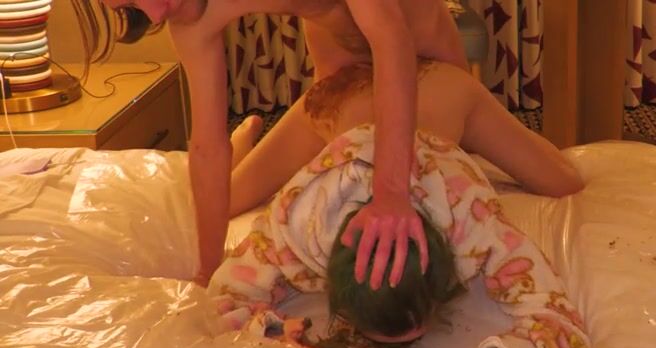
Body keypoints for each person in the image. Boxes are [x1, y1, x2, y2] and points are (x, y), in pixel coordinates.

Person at [206, 60, 589, 348]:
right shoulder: (298, 221)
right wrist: (278, 332)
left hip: (438, 91)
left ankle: (471, 130)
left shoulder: (471, 218)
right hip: (342, 98)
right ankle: (241, 143)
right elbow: (223, 297)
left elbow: (560, 325)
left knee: (565, 181)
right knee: (223, 200)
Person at [82, 0, 469, 288]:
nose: (154, 15)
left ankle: (250, 142)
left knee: (440, 197)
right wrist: (209, 272)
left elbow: (392, 41)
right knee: (224, 203)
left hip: (419, 50)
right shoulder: (187, 16)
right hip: (341, 69)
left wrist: (391, 194)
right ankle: (244, 144)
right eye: (131, 8)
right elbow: (206, 148)